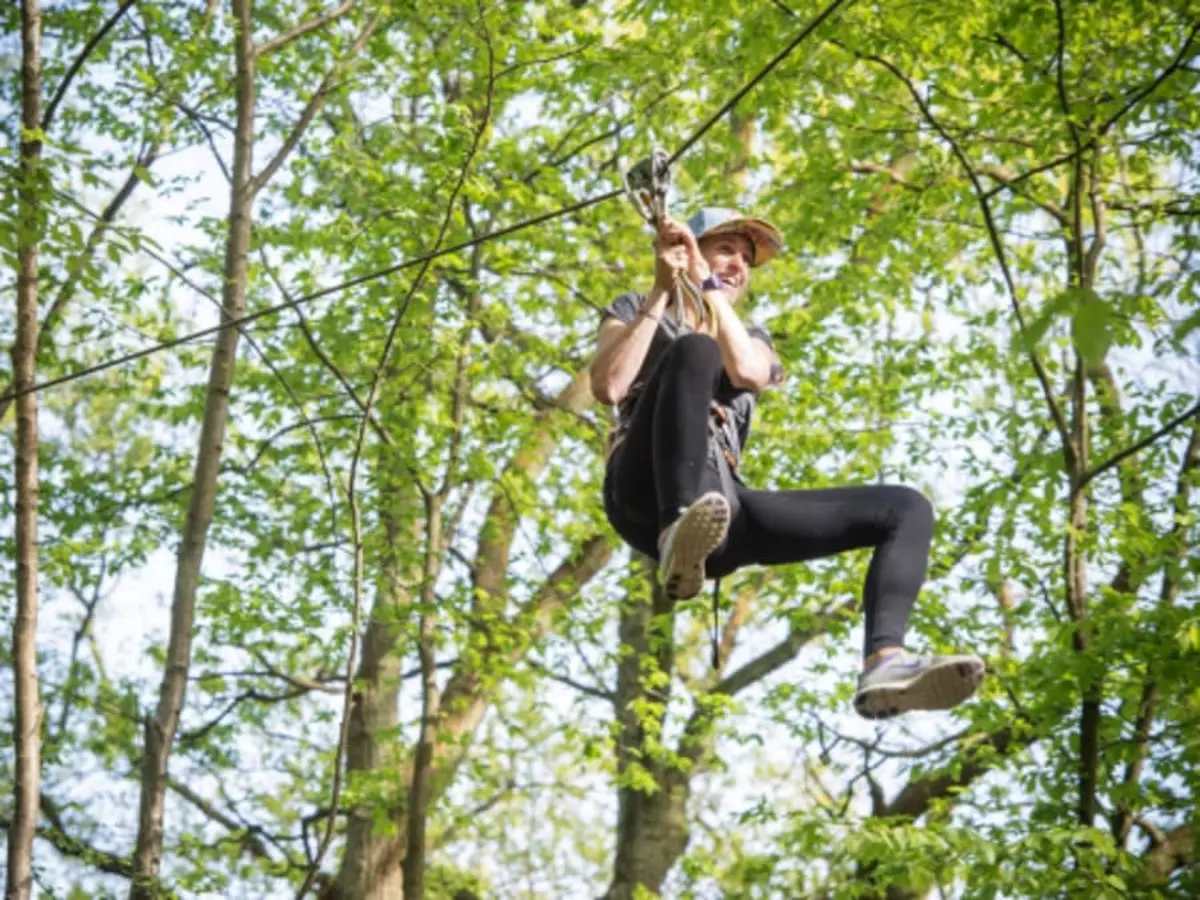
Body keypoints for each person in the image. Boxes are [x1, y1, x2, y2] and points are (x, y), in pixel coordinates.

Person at [589, 207, 985, 719]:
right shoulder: (636, 308)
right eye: (725, 249)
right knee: (692, 351)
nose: (738, 265)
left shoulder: (753, 336)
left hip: (719, 511)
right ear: (691, 251)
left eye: (746, 258)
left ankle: (885, 662)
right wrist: (663, 289)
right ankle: (676, 530)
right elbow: (609, 386)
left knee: (905, 509)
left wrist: (705, 285)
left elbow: (750, 370)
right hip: (643, 491)